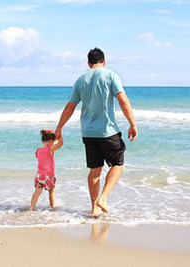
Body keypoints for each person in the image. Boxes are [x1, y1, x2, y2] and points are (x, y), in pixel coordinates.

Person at [55, 47, 137, 216]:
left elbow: (70, 106)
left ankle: (94, 209)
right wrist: (132, 124)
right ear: (104, 62)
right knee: (118, 164)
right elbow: (123, 101)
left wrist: (59, 127)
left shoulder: (80, 79)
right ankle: (103, 198)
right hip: (107, 131)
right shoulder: (111, 75)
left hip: (88, 132)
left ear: (88, 63)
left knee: (94, 170)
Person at [30, 129, 63, 211]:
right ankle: (53, 205)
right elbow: (60, 144)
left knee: (37, 191)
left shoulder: (38, 151)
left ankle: (32, 207)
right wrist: (60, 135)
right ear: (51, 141)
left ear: (43, 140)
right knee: (51, 191)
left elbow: (53, 144)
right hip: (49, 176)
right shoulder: (50, 149)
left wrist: (55, 138)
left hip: (39, 176)